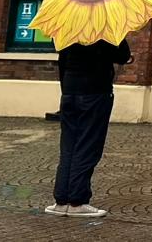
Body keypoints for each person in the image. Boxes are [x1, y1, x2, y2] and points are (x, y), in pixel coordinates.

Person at [47, 38, 131, 218]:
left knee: (68, 146)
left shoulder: (68, 28)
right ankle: (77, 200)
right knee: (88, 145)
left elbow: (62, 61)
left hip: (70, 91)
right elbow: (123, 55)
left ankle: (61, 200)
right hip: (95, 91)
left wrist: (66, 90)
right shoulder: (105, 28)